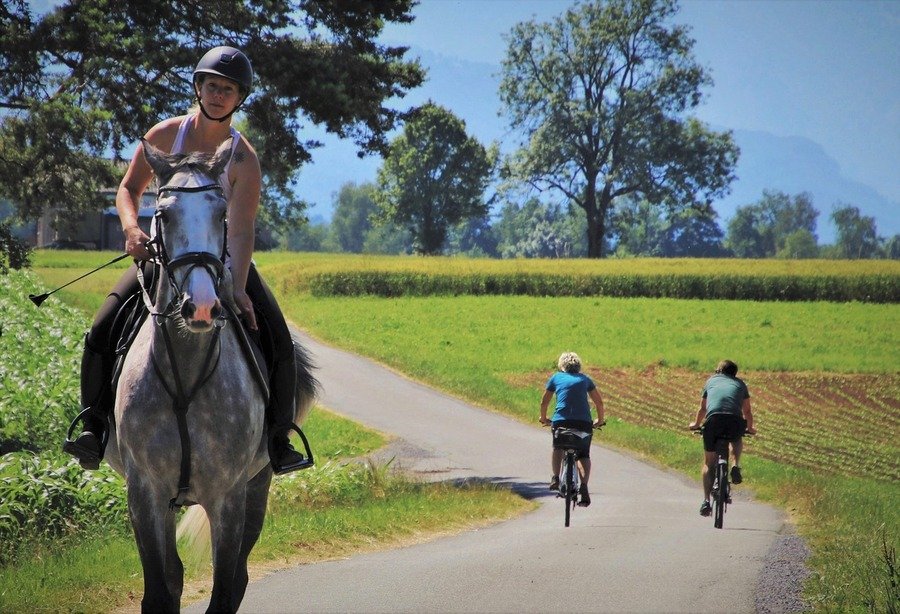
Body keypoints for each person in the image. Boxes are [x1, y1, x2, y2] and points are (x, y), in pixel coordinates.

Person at [62, 46, 309, 475]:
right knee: (102, 327)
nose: (218, 95)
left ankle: (277, 438)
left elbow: (244, 228)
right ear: (198, 87)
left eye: (227, 89)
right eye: (212, 85)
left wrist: (237, 285)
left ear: (239, 98)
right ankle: (95, 427)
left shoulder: (244, 159)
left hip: (222, 262)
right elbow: (128, 190)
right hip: (162, 257)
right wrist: (132, 229)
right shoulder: (163, 136)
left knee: (279, 337)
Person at [689, 359, 757, 517]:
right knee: (737, 437)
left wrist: (696, 424)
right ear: (734, 373)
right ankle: (735, 465)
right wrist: (750, 428)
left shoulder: (711, 381)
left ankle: (706, 501)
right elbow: (747, 411)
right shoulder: (740, 384)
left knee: (708, 463)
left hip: (714, 421)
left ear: (719, 371)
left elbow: (703, 408)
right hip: (734, 420)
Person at [539, 351, 605, 507]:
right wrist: (600, 420)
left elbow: (544, 402)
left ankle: (556, 478)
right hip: (583, 423)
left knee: (558, 447)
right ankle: (583, 486)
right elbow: (599, 403)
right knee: (583, 454)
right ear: (579, 366)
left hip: (561, 422)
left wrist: (543, 418)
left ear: (562, 366)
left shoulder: (556, 378)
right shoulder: (585, 380)